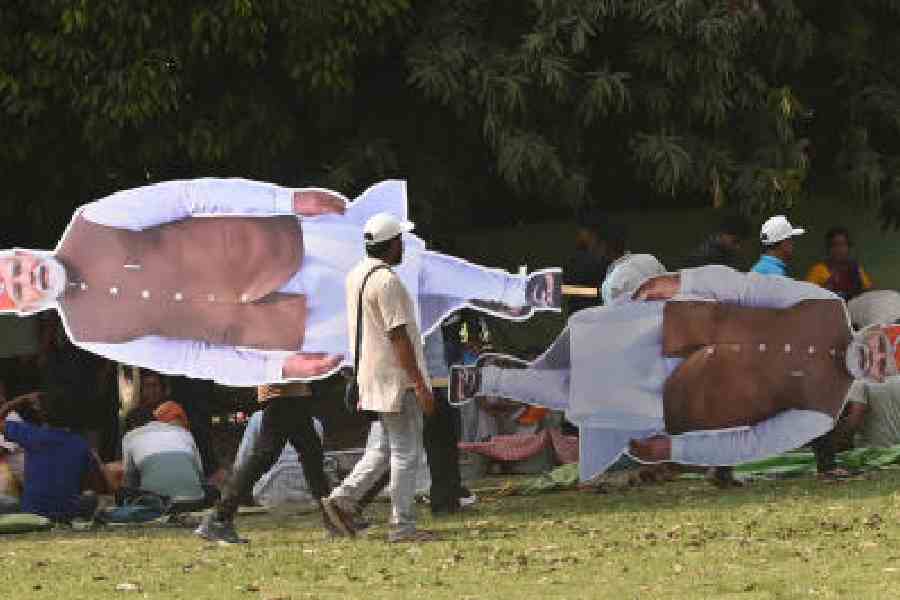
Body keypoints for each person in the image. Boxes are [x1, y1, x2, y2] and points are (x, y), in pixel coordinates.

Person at [0, 178, 561, 386]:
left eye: (18, 263)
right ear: (23, 308)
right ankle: (481, 297)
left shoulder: (90, 220)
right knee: (388, 320)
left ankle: (515, 291)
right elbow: (188, 358)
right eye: (18, 286)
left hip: (277, 244)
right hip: (269, 324)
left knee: (397, 266)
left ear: (24, 252)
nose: (28, 274)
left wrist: (283, 200)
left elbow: (190, 196)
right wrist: (273, 368)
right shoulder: (87, 332)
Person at [450, 260, 894, 481]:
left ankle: (486, 380)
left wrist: (674, 451)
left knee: (579, 396)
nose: (871, 359)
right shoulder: (827, 306)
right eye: (879, 347)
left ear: (880, 378)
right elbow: (746, 287)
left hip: (682, 401)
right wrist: (682, 282)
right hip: (676, 326)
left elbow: (749, 444)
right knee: (584, 343)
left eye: (882, 365)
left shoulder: (824, 411)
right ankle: (501, 375)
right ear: (874, 330)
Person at [322, 213, 436, 543]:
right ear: (393, 244)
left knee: (384, 449)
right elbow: (398, 335)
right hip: (396, 380)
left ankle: (341, 501)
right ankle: (403, 526)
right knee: (406, 452)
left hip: (370, 376)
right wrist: (418, 383)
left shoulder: (356, 275)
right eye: (400, 241)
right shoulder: (387, 282)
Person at [196, 381, 332, 543]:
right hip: (282, 391)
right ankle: (219, 517)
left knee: (311, 455)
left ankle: (334, 517)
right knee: (267, 456)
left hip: (291, 390)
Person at [0, 391, 111, 521]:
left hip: (32, 513)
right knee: (90, 498)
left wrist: (19, 400)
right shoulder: (81, 444)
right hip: (67, 513)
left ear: (42, 414)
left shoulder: (30, 434)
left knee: (7, 501)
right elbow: (98, 486)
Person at [232, 408, 326, 510]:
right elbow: (317, 466)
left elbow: (241, 463)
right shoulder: (315, 423)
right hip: (306, 497)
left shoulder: (258, 418)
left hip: (267, 496)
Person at [121, 401, 207, 505]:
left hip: (157, 504)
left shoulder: (130, 436)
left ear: (132, 425)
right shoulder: (184, 433)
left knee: (123, 493)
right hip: (195, 500)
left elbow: (128, 480)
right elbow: (200, 474)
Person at [806, 227, 874, 301]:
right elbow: (808, 297)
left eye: (843, 244)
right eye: (834, 245)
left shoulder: (855, 268)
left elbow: (868, 292)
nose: (839, 249)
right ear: (828, 248)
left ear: (848, 247)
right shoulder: (818, 270)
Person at [681, 214, 752, 271]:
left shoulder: (728, 251)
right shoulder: (704, 256)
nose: (738, 247)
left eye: (741, 243)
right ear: (723, 234)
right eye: (735, 241)